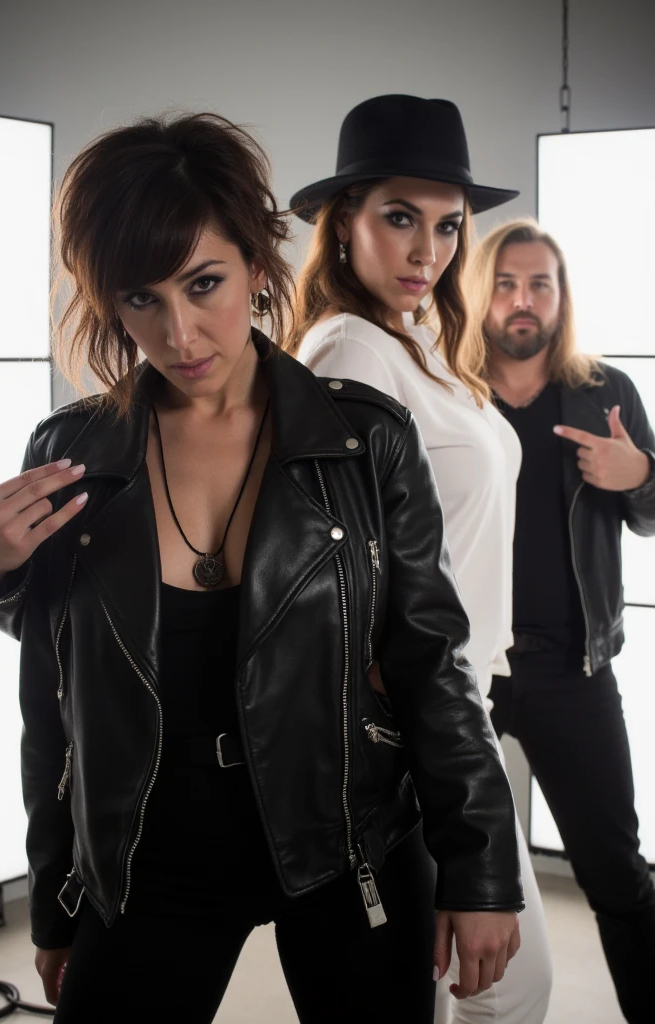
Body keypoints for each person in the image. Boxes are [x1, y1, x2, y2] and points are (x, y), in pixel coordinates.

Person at [0, 112, 522, 1024]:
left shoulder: (364, 439)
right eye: (141, 299)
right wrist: (61, 893)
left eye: (205, 283)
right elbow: (57, 699)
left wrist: (485, 866)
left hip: (350, 845)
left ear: (258, 267)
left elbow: (432, 661)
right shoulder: (76, 456)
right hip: (151, 856)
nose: (180, 332)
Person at [287, 94, 552, 1024]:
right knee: (505, 985)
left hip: (460, 689)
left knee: (457, 984)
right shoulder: (348, 354)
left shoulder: (427, 341)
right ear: (344, 220)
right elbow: (331, 565)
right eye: (399, 218)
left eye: (446, 225)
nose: (427, 250)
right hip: (412, 711)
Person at [465, 217, 655, 1024]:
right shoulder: (448, 391)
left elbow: (652, 514)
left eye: (539, 283)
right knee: (440, 880)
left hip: (573, 669)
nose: (521, 300)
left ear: (560, 296)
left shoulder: (606, 391)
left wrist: (637, 472)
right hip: (461, 673)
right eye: (505, 283)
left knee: (616, 872)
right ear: (480, 292)